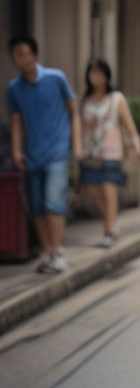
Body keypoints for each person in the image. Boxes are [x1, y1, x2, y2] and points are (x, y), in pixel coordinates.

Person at [6, 35, 81, 273]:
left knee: (53, 202)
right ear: (13, 59)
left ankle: (57, 251)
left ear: (35, 55)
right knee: (37, 206)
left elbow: (73, 111)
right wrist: (16, 149)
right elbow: (16, 121)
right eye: (18, 55)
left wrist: (76, 144)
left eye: (27, 53)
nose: (23, 58)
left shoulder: (56, 78)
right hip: (33, 154)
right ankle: (48, 252)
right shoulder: (14, 88)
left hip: (58, 151)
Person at [79, 59, 140, 248]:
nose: (95, 77)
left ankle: (108, 230)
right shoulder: (86, 100)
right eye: (92, 73)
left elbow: (128, 122)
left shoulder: (117, 98)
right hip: (90, 153)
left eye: (99, 73)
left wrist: (135, 143)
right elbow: (80, 126)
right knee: (94, 190)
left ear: (107, 76)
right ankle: (112, 221)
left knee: (109, 190)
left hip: (112, 151)